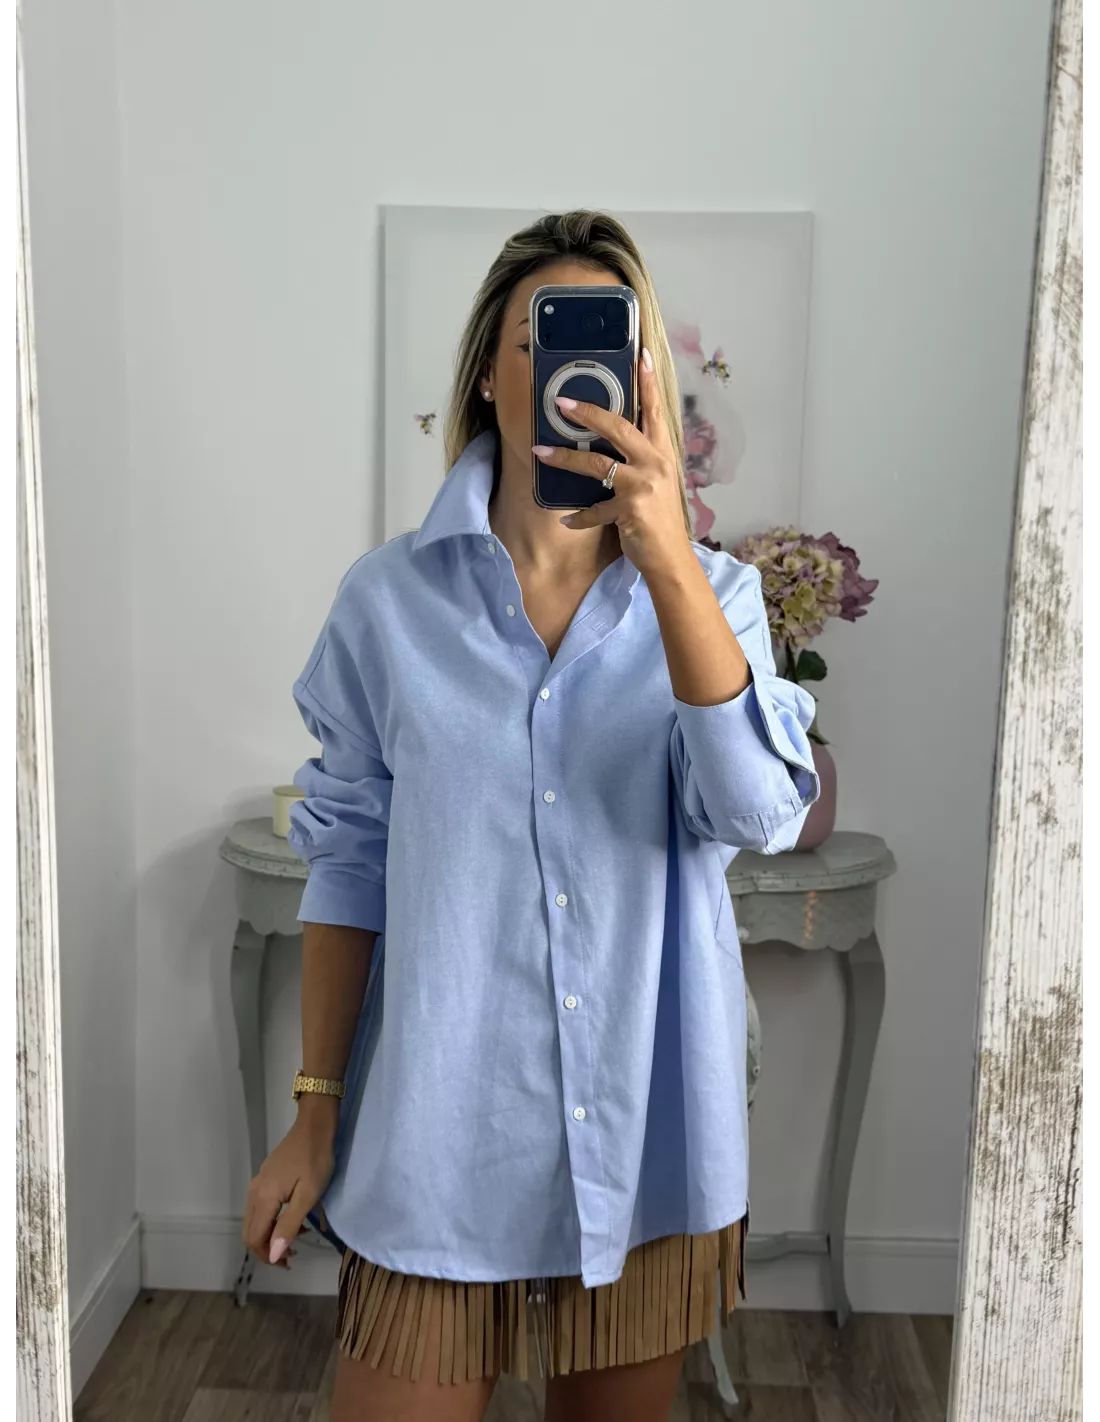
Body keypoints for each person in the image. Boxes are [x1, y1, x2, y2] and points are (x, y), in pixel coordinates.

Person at [243, 209, 819, 1422]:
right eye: (543, 338)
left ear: (645, 382)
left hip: (645, 1147)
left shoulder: (713, 599)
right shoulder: (387, 605)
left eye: (613, 345)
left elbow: (756, 810)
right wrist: (313, 1114)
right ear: (488, 377)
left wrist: (667, 559)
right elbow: (349, 864)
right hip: (436, 1139)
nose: (577, 375)